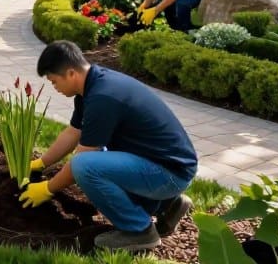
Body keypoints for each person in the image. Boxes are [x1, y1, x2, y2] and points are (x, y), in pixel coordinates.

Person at [19, 40, 197, 252]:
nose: (54, 88)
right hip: (166, 166)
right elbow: (73, 133)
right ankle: (168, 205)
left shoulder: (103, 97)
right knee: (97, 159)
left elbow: (82, 159)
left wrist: (48, 189)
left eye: (54, 81)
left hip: (170, 173)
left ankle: (138, 232)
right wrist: (41, 163)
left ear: (70, 73)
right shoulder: (92, 87)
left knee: (85, 166)